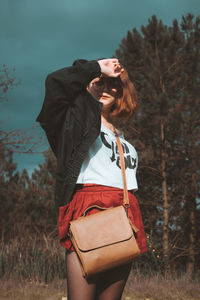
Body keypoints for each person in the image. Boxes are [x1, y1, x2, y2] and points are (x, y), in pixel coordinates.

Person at [36, 58, 147, 300]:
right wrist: (96, 68)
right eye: (100, 83)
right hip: (89, 214)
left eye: (113, 84)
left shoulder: (122, 135)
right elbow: (54, 84)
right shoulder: (73, 126)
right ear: (87, 85)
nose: (106, 88)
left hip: (124, 217)